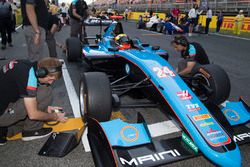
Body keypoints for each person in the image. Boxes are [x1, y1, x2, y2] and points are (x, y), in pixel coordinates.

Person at [0, 57, 68, 145]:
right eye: (50, 79)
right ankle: (31, 130)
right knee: (45, 91)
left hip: (5, 105)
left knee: (38, 108)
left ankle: (5, 130)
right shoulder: (30, 78)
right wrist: (55, 117)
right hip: (2, 114)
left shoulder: (26, 65)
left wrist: (45, 109)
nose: (50, 83)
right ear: (41, 73)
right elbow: (33, 114)